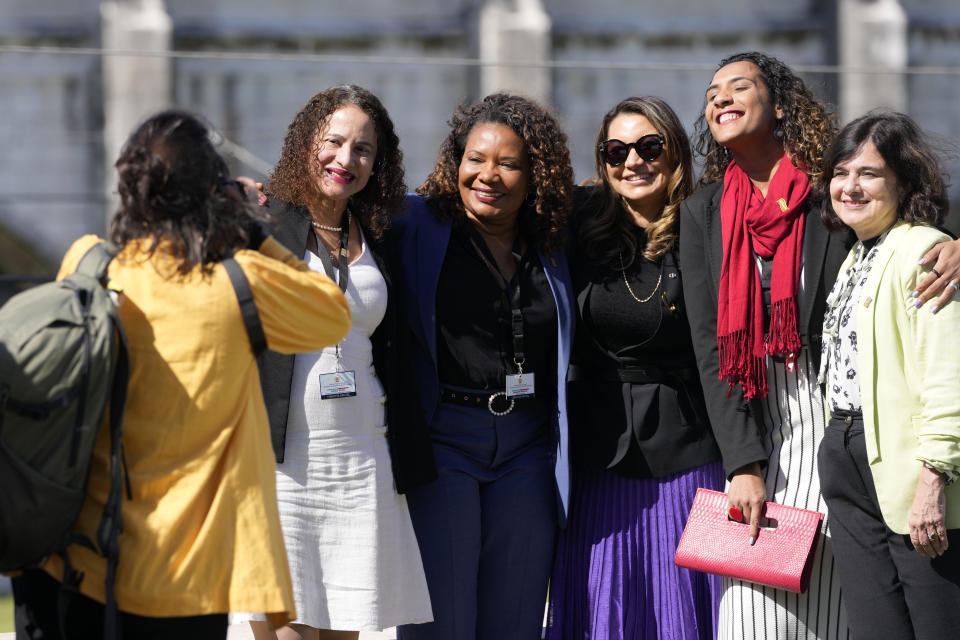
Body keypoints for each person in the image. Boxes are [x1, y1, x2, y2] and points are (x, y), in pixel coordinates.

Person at [12, 109, 352, 639]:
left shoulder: (90, 265)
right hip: (189, 582)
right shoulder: (242, 284)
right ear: (209, 192)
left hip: (86, 562)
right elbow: (332, 310)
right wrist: (251, 231)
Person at [681, 50, 960, 640]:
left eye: (738, 87)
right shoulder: (703, 212)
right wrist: (743, 463)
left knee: (854, 616)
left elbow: (914, 215)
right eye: (711, 94)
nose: (720, 99)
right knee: (752, 620)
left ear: (780, 105)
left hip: (851, 422)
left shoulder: (831, 190)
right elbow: (711, 347)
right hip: (763, 426)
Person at [245, 85, 433, 640]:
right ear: (306, 143)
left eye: (363, 149)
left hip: (364, 459)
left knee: (349, 628)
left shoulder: (380, 234)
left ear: (379, 163)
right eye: (333, 142)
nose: (345, 160)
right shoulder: (260, 225)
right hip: (282, 466)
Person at [391, 92, 575, 640]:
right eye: (476, 159)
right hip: (444, 438)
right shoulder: (415, 223)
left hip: (527, 446)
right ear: (456, 162)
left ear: (535, 174)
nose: (488, 175)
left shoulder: (556, 240)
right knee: (439, 621)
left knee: (516, 619)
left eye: (508, 163)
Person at [546, 96, 724, 640]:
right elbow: (480, 199)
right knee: (603, 607)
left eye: (650, 147)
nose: (633, 162)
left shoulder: (707, 224)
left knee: (683, 614)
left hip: (688, 456)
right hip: (596, 461)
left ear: (674, 154)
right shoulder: (576, 222)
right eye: (616, 150)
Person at [816, 111, 960, 639]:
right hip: (847, 452)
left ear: (902, 181)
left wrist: (932, 479)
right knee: (877, 626)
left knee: (935, 623)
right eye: (840, 173)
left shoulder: (924, 250)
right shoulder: (858, 252)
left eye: (869, 174)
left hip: (910, 465)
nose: (850, 186)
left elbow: (947, 372)